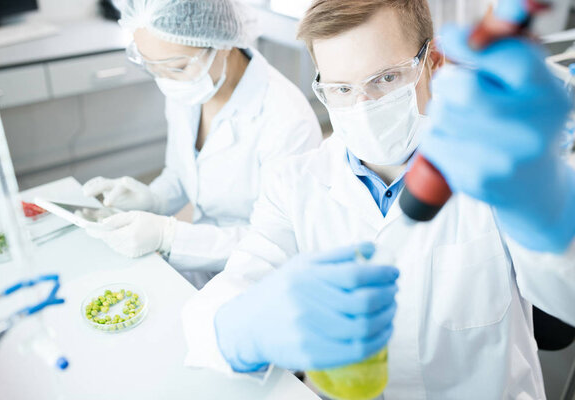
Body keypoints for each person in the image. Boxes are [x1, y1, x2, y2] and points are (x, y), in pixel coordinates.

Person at [181, 0, 575, 398]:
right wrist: (243, 330)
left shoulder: (499, 172)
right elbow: (222, 301)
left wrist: (547, 208)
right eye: (340, 89)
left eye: (385, 78)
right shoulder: (293, 184)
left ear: (433, 62)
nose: (362, 106)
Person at [82, 0, 322, 288]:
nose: (166, 82)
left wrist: (169, 236)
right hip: (199, 265)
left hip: (260, 282)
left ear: (221, 43)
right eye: (152, 67)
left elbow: (275, 242)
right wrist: (152, 199)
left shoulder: (287, 120)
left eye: (177, 67)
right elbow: (182, 173)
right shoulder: (190, 86)